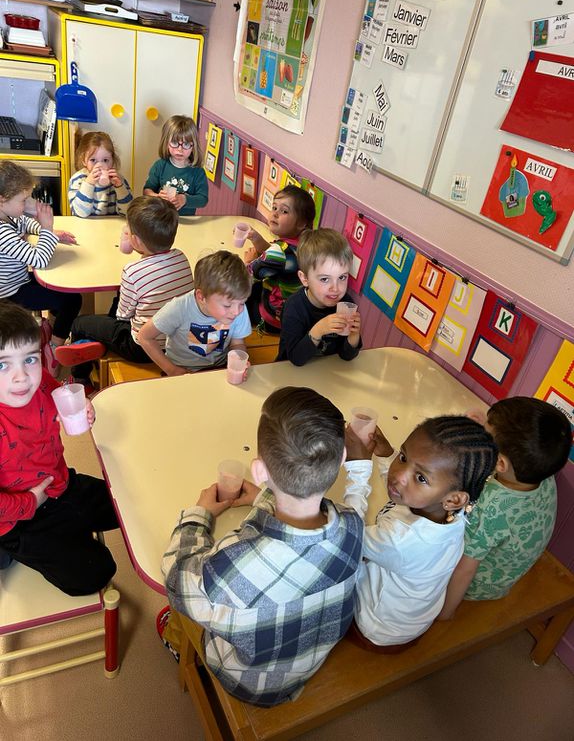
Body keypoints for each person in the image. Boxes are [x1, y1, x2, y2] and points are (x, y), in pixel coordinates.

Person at [162, 386, 363, 706]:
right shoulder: (353, 525)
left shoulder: (233, 567)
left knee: (182, 609)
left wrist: (198, 517)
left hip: (247, 682)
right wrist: (262, 497)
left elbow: (176, 577)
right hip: (306, 663)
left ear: (259, 470)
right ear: (341, 459)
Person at [343, 415, 497, 650]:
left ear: (453, 498)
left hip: (377, 630)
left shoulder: (402, 540)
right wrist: (386, 455)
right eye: (403, 457)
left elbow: (346, 538)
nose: (399, 476)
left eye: (421, 477)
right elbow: (402, 490)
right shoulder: (452, 512)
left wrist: (358, 468)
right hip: (410, 621)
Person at [0, 302, 118, 595]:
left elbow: (55, 391)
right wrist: (30, 502)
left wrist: (80, 406)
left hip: (59, 482)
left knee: (125, 506)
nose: (21, 377)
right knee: (96, 572)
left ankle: (69, 527)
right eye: (2, 364)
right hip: (19, 518)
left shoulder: (37, 384)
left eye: (29, 360)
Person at [439, 397, 571, 620]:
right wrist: (484, 428)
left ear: (499, 463)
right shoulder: (540, 473)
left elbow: (465, 569)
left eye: (485, 433)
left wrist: (445, 611)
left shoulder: (491, 508)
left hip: (478, 584)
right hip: (511, 567)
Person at [55, 197, 194, 384]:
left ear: (135, 240)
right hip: (177, 343)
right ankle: (99, 342)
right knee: (123, 299)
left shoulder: (132, 272)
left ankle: (81, 378)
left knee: (80, 323)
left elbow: (123, 316)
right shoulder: (181, 257)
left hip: (142, 348)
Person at [0, 160, 81, 375]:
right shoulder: (2, 233)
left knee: (63, 289)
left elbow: (26, 224)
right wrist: (47, 228)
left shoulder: (9, 215)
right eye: (24, 199)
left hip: (19, 281)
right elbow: (40, 260)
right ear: (2, 199)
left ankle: (52, 332)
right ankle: (54, 349)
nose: (27, 204)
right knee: (73, 299)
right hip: (11, 294)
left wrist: (49, 233)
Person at [138, 250, 251, 375]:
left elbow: (237, 344)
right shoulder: (179, 308)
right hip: (181, 368)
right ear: (201, 297)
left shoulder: (237, 305)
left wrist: (239, 361)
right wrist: (171, 369)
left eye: (242, 303)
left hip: (220, 368)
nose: (236, 311)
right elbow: (144, 337)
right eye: (227, 305)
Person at [277, 228, 361, 365]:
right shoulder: (294, 308)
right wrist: (319, 330)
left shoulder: (346, 303)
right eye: (324, 279)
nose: (336, 288)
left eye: (342, 277)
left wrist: (354, 335)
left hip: (328, 373)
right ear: (304, 279)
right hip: (290, 373)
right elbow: (295, 359)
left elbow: (347, 356)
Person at [244, 185, 316, 331]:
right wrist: (257, 239)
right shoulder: (306, 244)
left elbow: (245, 277)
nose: (275, 214)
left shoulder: (278, 252)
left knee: (233, 293)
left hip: (271, 319)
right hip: (293, 315)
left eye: (284, 211)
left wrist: (249, 261)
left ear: (301, 223)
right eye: (274, 208)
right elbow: (275, 259)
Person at [143, 115, 208, 216]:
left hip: (186, 221)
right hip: (160, 220)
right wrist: (157, 197)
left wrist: (184, 199)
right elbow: (147, 191)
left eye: (186, 144)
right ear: (166, 143)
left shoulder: (198, 172)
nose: (180, 150)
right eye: (174, 142)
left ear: (193, 146)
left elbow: (203, 199)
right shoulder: (160, 166)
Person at [68, 131, 132, 217]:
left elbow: (128, 212)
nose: (100, 165)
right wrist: (88, 184)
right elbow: (80, 213)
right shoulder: (78, 180)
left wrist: (120, 188)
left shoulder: (118, 179)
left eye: (105, 160)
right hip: (86, 226)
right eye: (93, 160)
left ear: (112, 160)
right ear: (84, 160)